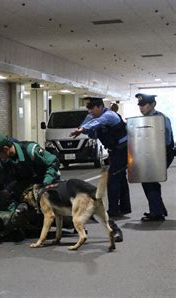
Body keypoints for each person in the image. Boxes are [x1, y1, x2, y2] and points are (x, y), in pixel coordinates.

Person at [70, 97, 126, 241]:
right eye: (88, 108)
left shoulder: (109, 115)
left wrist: (83, 128)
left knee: (113, 179)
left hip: (123, 149)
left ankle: (113, 210)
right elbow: (90, 130)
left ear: (100, 106)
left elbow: (97, 123)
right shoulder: (93, 116)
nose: (89, 111)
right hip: (114, 150)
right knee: (120, 178)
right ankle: (124, 207)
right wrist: (84, 128)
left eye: (92, 108)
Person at [136, 93, 174, 221]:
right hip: (150, 155)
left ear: (153, 104)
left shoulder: (160, 118)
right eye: (139, 105)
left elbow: (167, 140)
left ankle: (157, 213)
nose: (141, 108)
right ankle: (159, 210)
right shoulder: (144, 120)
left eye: (144, 105)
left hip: (162, 155)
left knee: (149, 181)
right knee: (149, 181)